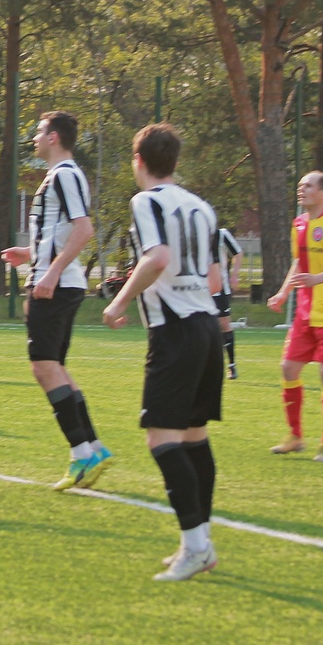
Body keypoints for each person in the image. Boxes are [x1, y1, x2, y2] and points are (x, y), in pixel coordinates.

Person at [102, 123, 223, 582]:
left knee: (162, 440)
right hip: (207, 324)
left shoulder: (146, 201)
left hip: (176, 331)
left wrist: (119, 301)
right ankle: (199, 542)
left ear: (138, 161)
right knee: (194, 439)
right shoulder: (201, 207)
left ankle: (196, 546)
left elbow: (157, 258)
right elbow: (212, 278)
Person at [1, 111, 113, 491]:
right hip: (59, 280)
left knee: (44, 368)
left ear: (53, 137)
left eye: (38, 132)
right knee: (55, 369)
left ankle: (81, 452)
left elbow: (84, 230)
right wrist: (30, 254)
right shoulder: (61, 175)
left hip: (57, 284)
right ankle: (94, 448)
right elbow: (60, 234)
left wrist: (49, 273)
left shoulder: (64, 174)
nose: (33, 137)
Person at [266, 171, 323, 462]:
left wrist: (317, 280)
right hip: (305, 314)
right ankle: (295, 436)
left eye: (308, 186)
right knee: (288, 368)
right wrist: (283, 293)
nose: (302, 189)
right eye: (300, 186)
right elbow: (299, 262)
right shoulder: (299, 223)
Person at [214, 226, 244, 379]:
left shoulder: (221, 234)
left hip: (219, 288)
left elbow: (238, 253)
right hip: (197, 288)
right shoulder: (190, 234)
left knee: (224, 323)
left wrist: (234, 275)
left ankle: (231, 365)